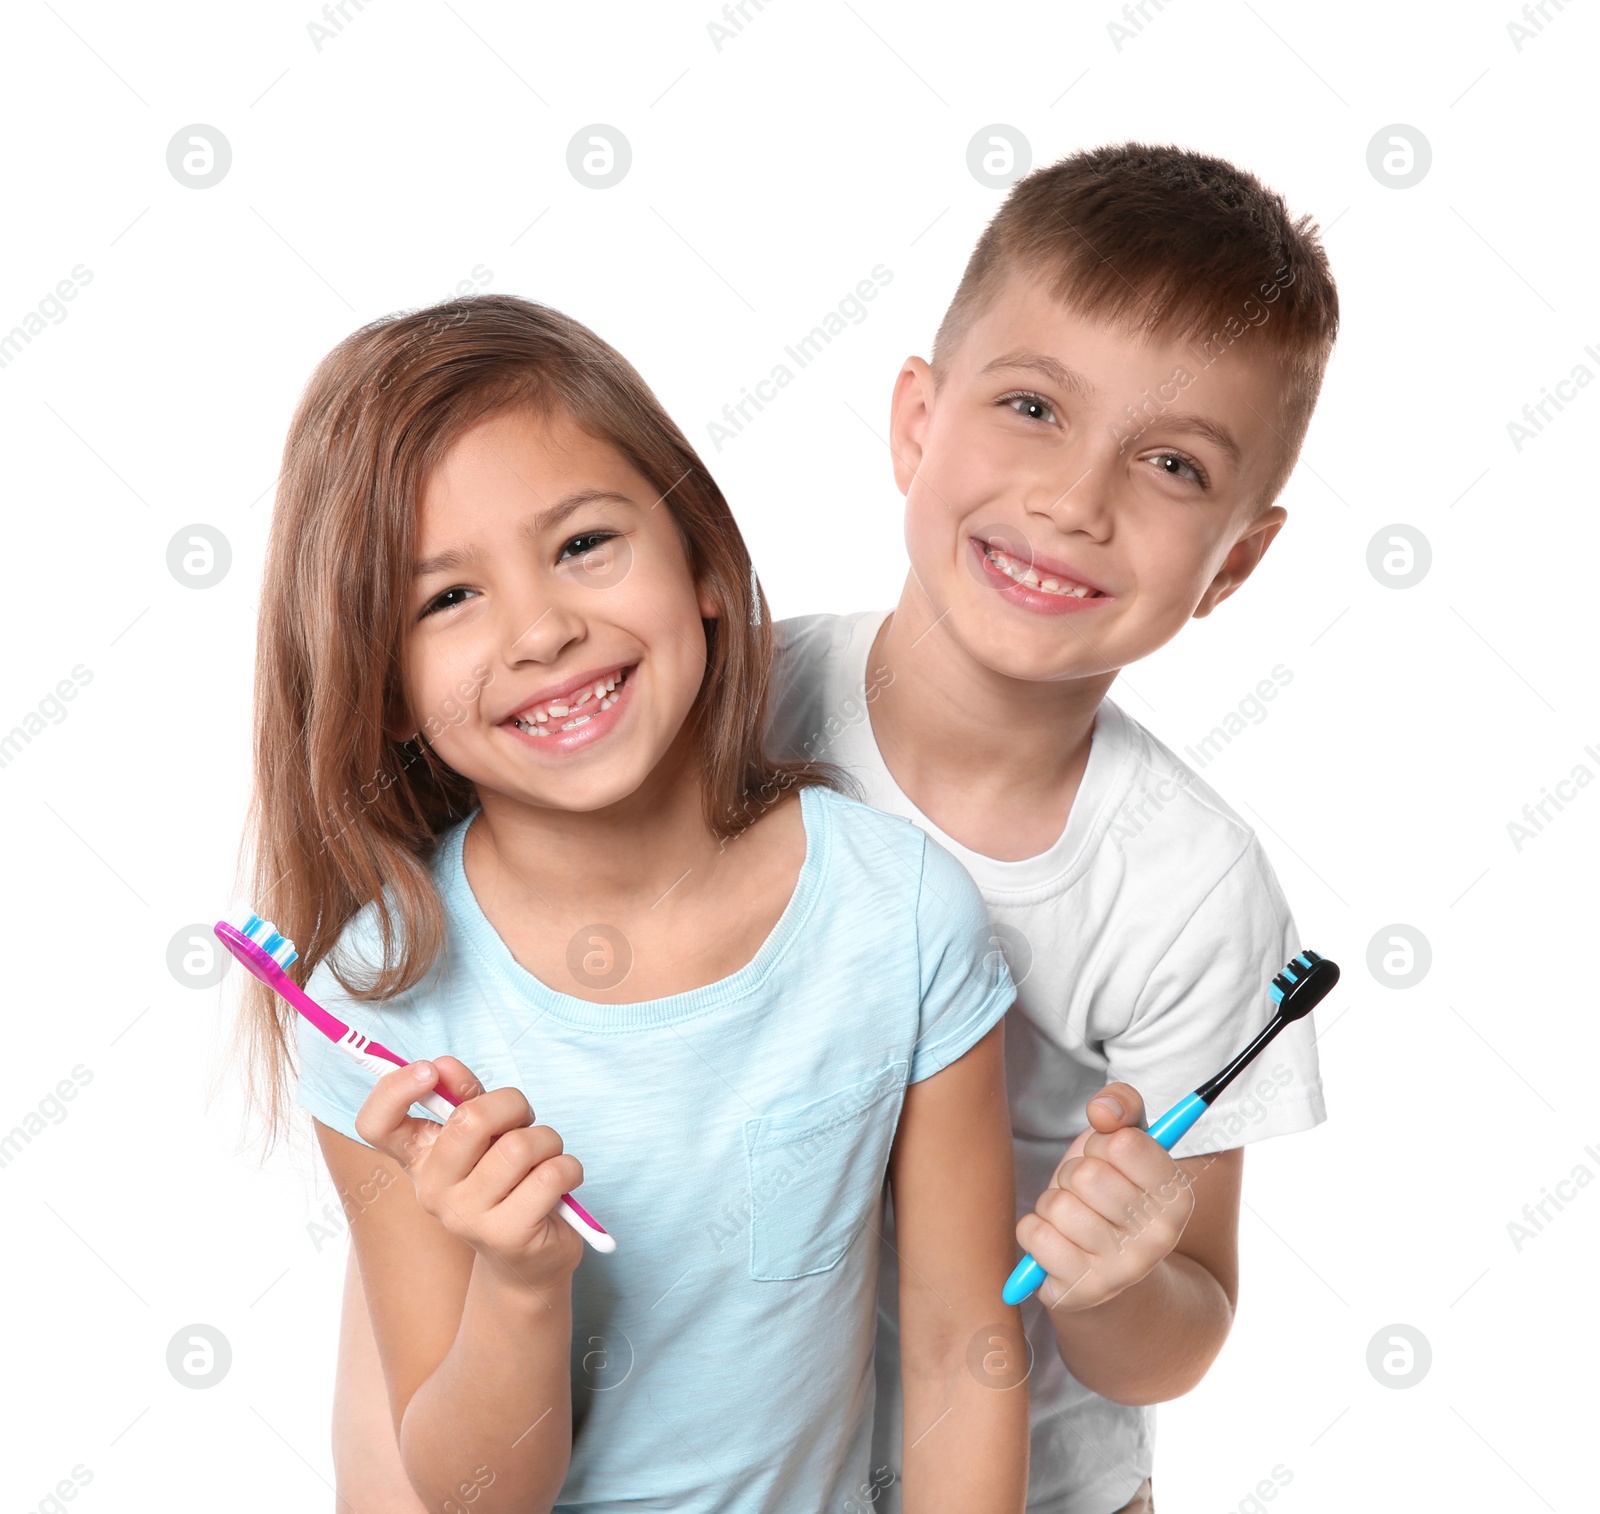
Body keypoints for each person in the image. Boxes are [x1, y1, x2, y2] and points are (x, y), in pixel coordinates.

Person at [235, 293, 1028, 1512]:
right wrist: (519, 1279)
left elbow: (958, 1357)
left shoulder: (899, 914)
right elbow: (473, 1490)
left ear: (704, 563)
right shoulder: (377, 1001)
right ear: (385, 689)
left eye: (583, 544)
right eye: (446, 599)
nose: (544, 628)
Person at [766, 141, 1339, 1514]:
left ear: (1236, 564)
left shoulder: (1194, 889)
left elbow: (1180, 1340)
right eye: (1031, 404)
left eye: (1171, 466)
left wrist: (1125, 1274)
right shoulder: (732, 713)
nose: (1076, 502)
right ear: (916, 419)